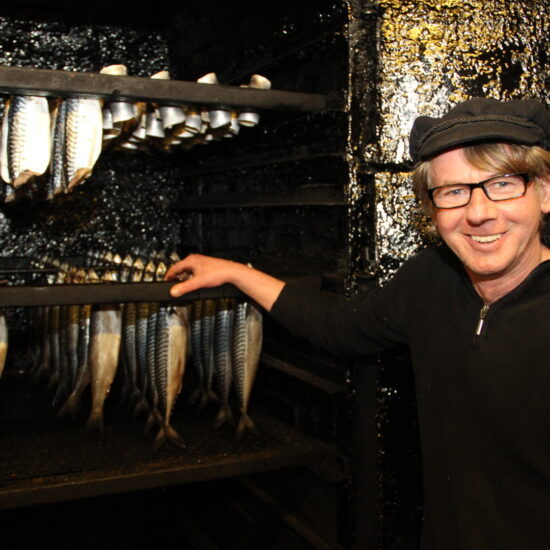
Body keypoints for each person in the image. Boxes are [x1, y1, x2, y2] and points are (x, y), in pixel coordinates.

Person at [166, 97, 550, 550]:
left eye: (503, 184)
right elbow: (339, 327)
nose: (479, 211)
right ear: (432, 209)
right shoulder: (429, 279)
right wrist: (236, 273)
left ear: (545, 192)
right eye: (453, 192)